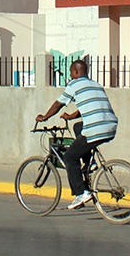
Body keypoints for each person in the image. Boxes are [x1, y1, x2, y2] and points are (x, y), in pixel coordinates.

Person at [35, 59, 118, 210]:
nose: (71, 76)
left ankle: (81, 193)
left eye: (71, 73)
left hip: (95, 128)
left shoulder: (74, 85)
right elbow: (90, 104)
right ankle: (90, 163)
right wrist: (72, 116)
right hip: (110, 126)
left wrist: (44, 117)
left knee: (69, 157)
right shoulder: (95, 84)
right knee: (78, 126)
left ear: (76, 72)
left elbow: (58, 104)